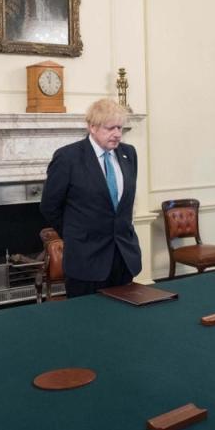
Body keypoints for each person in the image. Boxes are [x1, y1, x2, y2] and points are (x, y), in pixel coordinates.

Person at [40, 98, 141, 297]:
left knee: (124, 321)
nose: (117, 134)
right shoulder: (68, 158)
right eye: (110, 128)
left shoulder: (129, 154)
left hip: (123, 258)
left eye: (120, 128)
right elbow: (49, 206)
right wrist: (75, 233)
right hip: (86, 261)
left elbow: (124, 206)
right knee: (87, 323)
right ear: (92, 127)